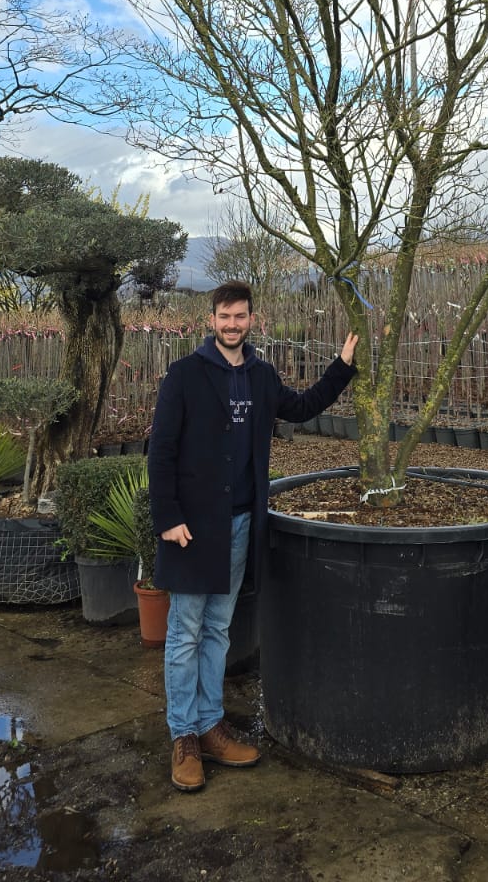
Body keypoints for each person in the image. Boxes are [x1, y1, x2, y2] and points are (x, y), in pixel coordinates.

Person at [147, 279, 358, 791]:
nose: (233, 324)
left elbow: (303, 407)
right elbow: (162, 451)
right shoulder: (186, 375)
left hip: (240, 521)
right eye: (225, 317)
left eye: (241, 317)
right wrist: (168, 516)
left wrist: (344, 365)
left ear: (251, 320)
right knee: (185, 633)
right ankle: (184, 738)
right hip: (192, 527)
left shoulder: (262, 376)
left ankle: (211, 725)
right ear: (211, 319)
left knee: (218, 628)